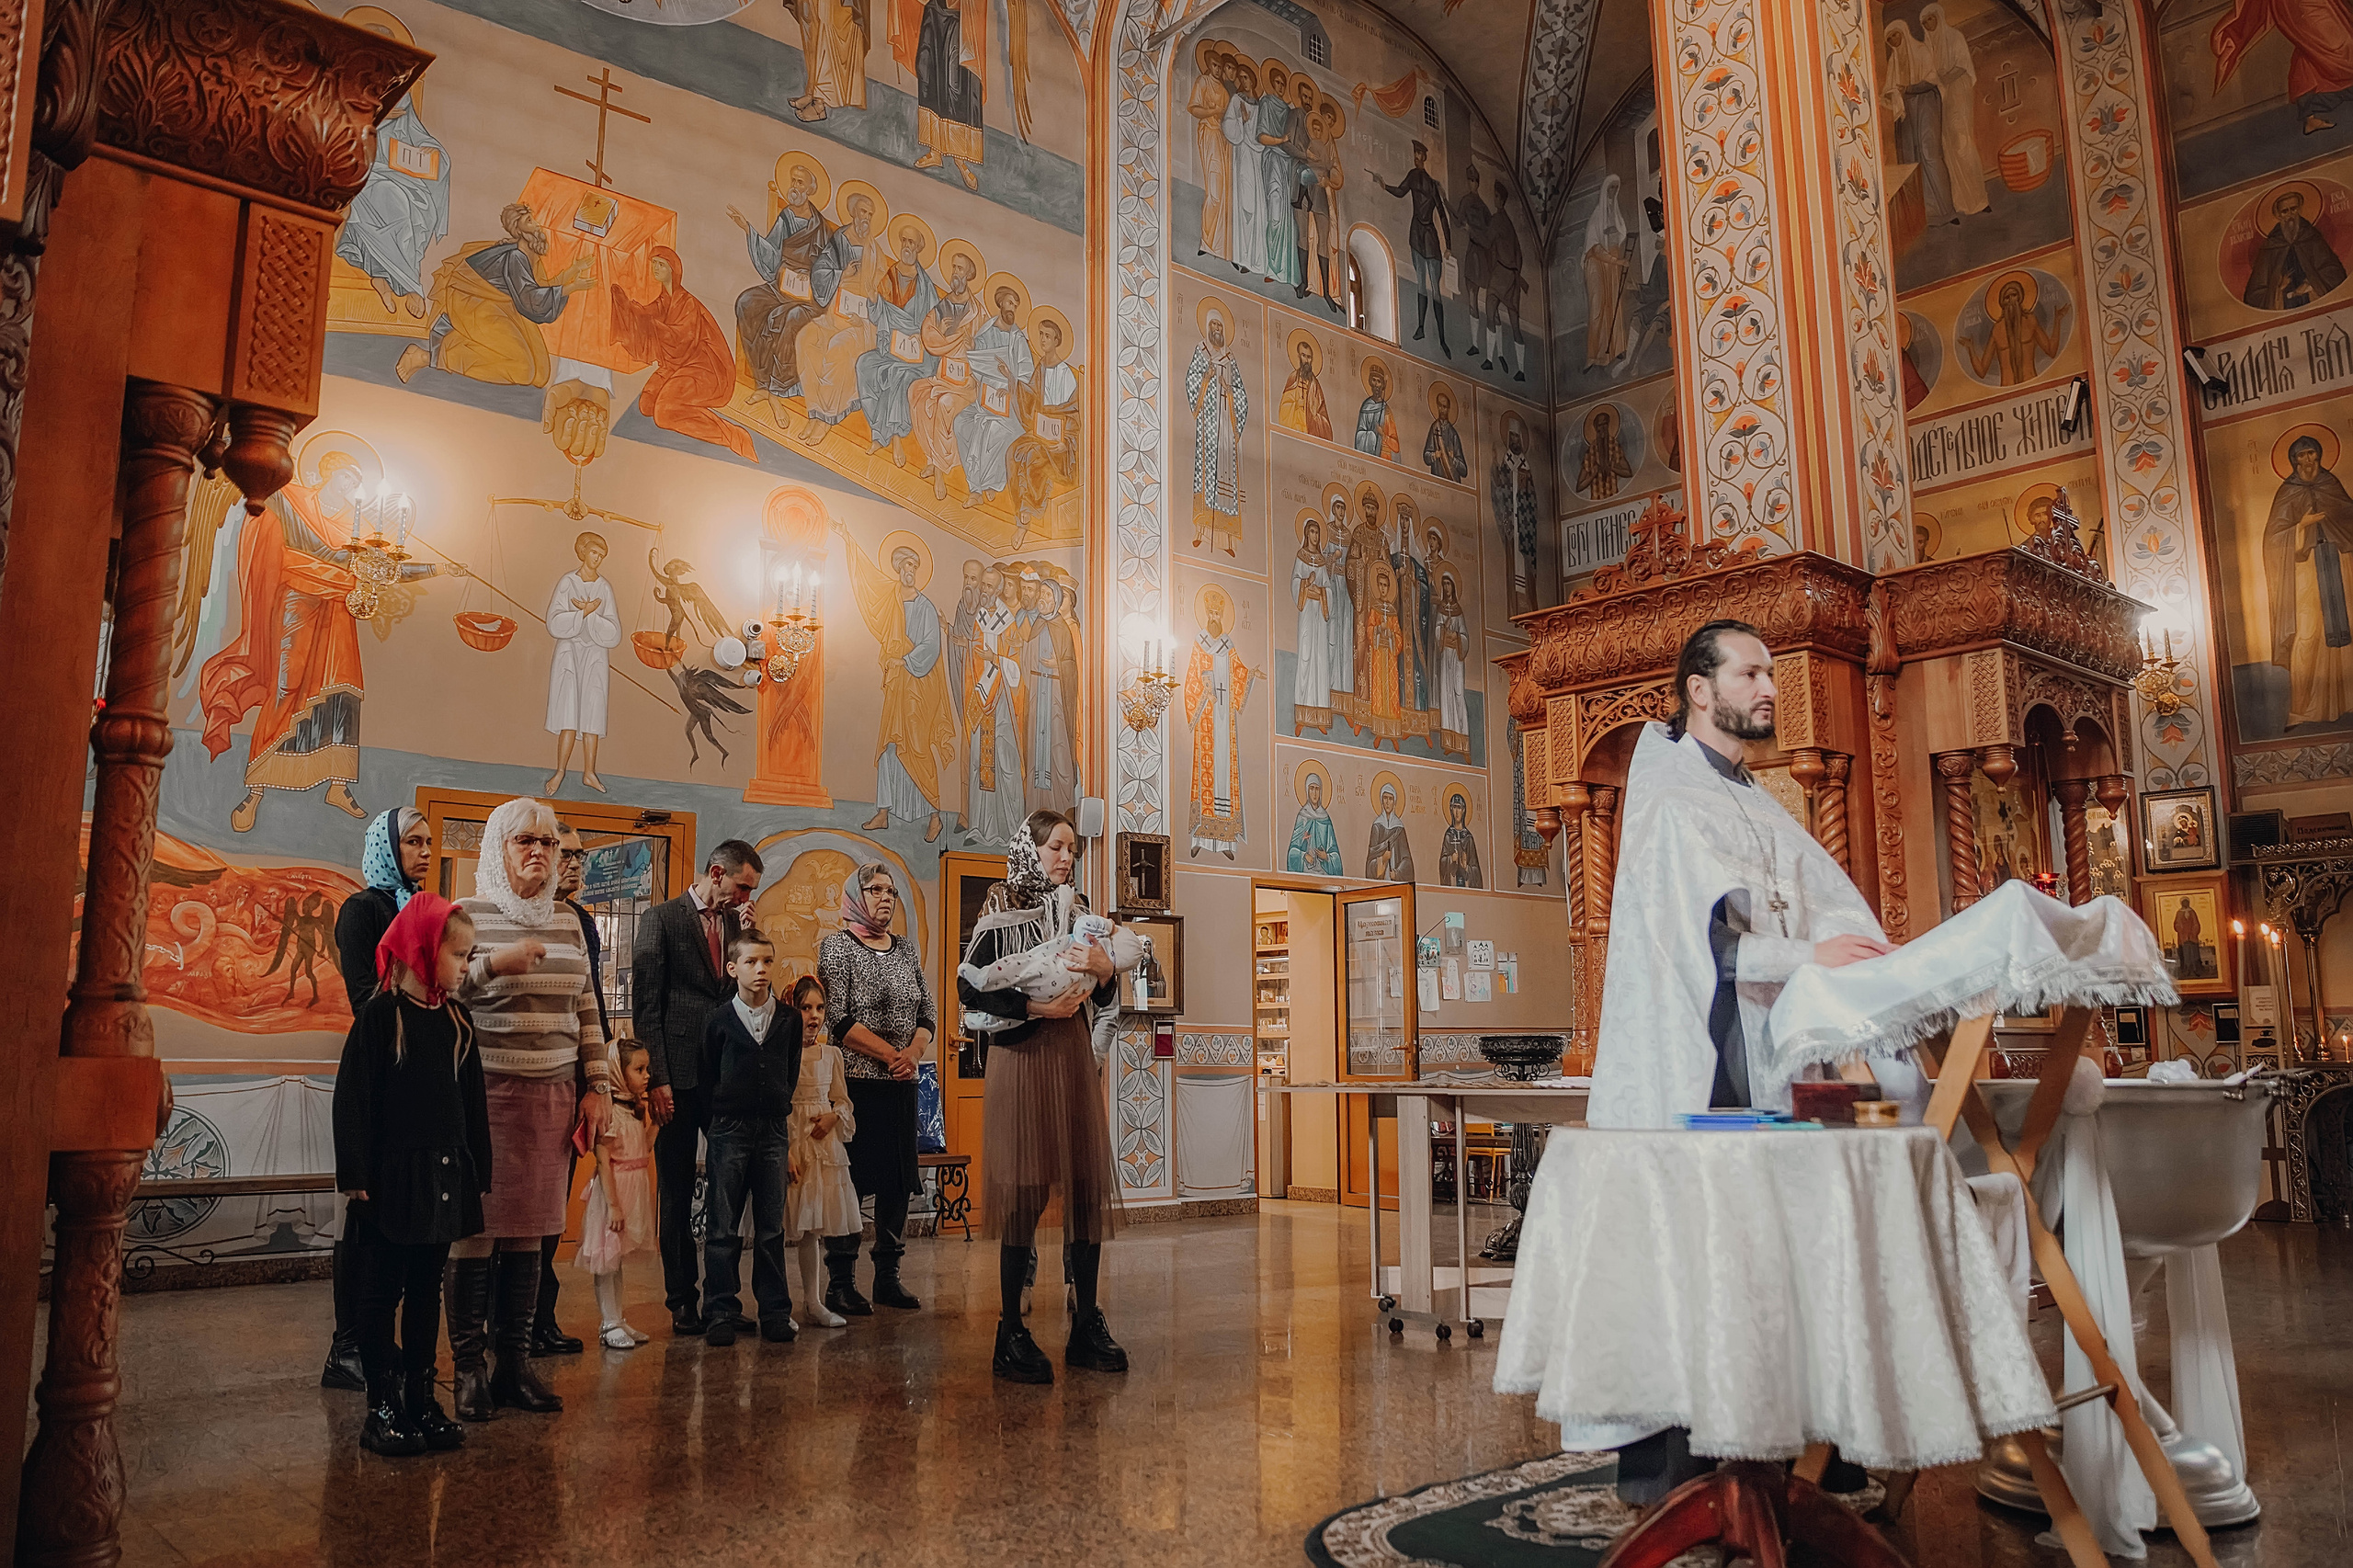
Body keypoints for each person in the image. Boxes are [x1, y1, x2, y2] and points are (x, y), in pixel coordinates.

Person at [1580, 619, 1893, 1504]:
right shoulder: (1673, 798)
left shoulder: (1757, 801)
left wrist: (1842, 951)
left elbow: (1830, 904)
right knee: (1702, 1255)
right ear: (1699, 689)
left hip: (1774, 1056)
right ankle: (1687, 1466)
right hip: (1701, 1063)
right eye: (1750, 672)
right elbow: (1705, 946)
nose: (1769, 687)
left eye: (1769, 673)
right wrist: (1809, 959)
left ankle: (1788, 1444)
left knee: (1779, 1253)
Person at [447, 798, 610, 1422]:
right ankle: (468, 1371)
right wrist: (494, 964)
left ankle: (515, 1365)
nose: (539, 851)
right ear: (499, 848)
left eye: (548, 841)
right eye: (524, 841)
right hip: (484, 1096)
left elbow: (588, 1010)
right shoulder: (466, 914)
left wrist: (598, 1084)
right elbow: (441, 989)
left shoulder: (568, 919)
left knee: (532, 1238)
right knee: (476, 1235)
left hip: (552, 1101)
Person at [957, 812, 1127, 1383]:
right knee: (1025, 1193)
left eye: (1073, 850)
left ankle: (1085, 1325)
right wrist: (1035, 1008)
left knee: (1083, 1185)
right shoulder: (999, 904)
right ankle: (1010, 1331)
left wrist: (1105, 972)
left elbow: (1106, 993)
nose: (1067, 858)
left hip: (1072, 1059)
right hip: (1024, 1059)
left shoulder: (1078, 912)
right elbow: (970, 989)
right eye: (1057, 847)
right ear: (1030, 848)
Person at [333, 893, 487, 1457]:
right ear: (424, 951)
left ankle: (421, 1397)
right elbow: (353, 1099)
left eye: (470, 957)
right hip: (389, 1179)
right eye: (460, 956)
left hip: (442, 1175)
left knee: (426, 1291)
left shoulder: (456, 1020)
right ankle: (382, 1404)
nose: (466, 967)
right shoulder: (381, 1018)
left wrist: (479, 1166)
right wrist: (355, 1171)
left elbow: (472, 1103)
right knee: (381, 1293)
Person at [632, 838, 765, 1336]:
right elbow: (647, 1005)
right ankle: (681, 1299)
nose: (746, 895)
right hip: (678, 1077)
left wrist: (753, 934)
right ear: (716, 873)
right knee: (677, 1187)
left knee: (730, 1188)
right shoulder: (661, 920)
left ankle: (723, 1300)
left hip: (727, 1074)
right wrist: (658, 1078)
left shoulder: (737, 925)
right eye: (742, 886)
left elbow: (753, 989)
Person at [322, 806, 434, 1392]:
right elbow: (366, 994)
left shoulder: (418, 908)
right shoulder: (362, 910)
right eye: (412, 841)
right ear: (386, 847)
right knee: (362, 1217)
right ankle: (345, 1348)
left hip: (411, 1071)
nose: (423, 850)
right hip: (373, 1070)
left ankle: (378, 1341)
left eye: (428, 841)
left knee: (398, 1217)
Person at [817, 862, 936, 1315]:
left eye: (890, 891)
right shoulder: (837, 948)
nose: (885, 898)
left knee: (896, 1184)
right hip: (857, 1087)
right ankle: (841, 1281)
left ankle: (888, 1277)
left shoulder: (905, 950)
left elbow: (927, 1010)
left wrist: (915, 1051)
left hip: (902, 1085)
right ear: (855, 895)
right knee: (851, 1182)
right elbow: (839, 1019)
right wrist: (891, 1055)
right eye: (874, 889)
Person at [700, 931, 803, 1346]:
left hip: (773, 1132)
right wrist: (717, 1126)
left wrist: (776, 1108)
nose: (760, 970)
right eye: (751, 962)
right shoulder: (718, 1021)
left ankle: (775, 1311)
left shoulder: (789, 1020)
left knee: (770, 1228)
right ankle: (721, 1311)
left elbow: (790, 1072)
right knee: (723, 1226)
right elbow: (708, 1076)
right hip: (729, 1130)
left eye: (767, 962)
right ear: (733, 969)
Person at [529, 824, 609, 1360]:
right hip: (521, 1076)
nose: (575, 863)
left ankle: (539, 1316)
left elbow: (592, 1002)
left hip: (569, 1076)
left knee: (554, 1204)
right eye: (567, 852)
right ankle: (507, 1319)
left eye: (581, 855)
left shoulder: (582, 920)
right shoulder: (512, 911)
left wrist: (597, 1076)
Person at [397, 202, 593, 387]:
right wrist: (571, 287)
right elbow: (531, 299)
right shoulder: (515, 256)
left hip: (500, 304)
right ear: (519, 231)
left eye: (533, 219)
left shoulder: (529, 253)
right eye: (530, 222)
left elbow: (538, 290)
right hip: (472, 302)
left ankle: (458, 338)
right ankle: (429, 355)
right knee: (523, 369)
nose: (537, 224)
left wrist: (571, 272)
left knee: (540, 373)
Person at [610, 246, 757, 460]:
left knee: (664, 413)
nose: (655, 268)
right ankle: (684, 401)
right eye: (654, 264)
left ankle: (732, 435)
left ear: (673, 269)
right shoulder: (664, 300)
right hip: (678, 365)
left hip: (704, 368)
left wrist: (651, 323)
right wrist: (626, 306)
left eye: (661, 264)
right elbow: (646, 316)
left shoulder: (686, 302)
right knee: (647, 405)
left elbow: (681, 341)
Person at [785, 974, 861, 1329]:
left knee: (813, 1228)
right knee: (783, 1224)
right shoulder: (782, 1052)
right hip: (790, 1143)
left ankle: (813, 1301)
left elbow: (843, 1102)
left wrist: (834, 1116)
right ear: (792, 1009)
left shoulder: (831, 1054)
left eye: (819, 1008)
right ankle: (777, 1304)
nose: (813, 1015)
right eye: (805, 1008)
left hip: (820, 1146)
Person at [576, 1040, 656, 1349]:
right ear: (617, 1074)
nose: (646, 1075)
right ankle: (608, 1322)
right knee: (607, 1260)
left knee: (617, 1263)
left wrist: (658, 1125)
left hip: (632, 1190)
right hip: (615, 1195)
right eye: (639, 1069)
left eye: (646, 1068)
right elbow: (603, 1159)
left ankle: (617, 1318)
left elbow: (643, 1151)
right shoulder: (609, 1115)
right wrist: (613, 1206)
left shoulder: (634, 1112)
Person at [544, 531, 621, 796]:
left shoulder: (605, 588)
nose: (597, 559)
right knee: (568, 710)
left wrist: (590, 617)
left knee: (592, 712)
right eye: (594, 553)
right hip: (569, 652)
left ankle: (589, 772)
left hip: (595, 655)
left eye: (601, 556)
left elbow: (614, 631)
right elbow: (554, 621)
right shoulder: (568, 582)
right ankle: (561, 771)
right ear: (583, 552)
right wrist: (582, 613)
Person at [1184, 590, 1254, 858]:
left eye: (1217, 614)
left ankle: (1226, 842)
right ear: (1205, 615)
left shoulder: (1228, 644)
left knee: (1226, 776)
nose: (1214, 618)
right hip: (1207, 723)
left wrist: (1250, 675)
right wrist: (1205, 689)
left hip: (1226, 721)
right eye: (1210, 613)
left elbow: (1238, 672)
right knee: (1207, 778)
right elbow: (1191, 676)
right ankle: (1200, 836)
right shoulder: (1199, 643)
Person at [1381, 142, 1452, 354]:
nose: (1415, 157)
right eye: (1414, 153)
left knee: (1436, 289)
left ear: (1423, 156)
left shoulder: (1431, 183)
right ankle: (1421, 327)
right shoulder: (1414, 176)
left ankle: (1441, 339)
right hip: (1418, 235)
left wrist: (1448, 245)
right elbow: (1402, 191)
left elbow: (1441, 213)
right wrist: (1385, 186)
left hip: (1428, 235)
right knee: (1421, 282)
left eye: (1418, 153)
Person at [1188, 308, 1249, 551]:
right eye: (1213, 325)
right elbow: (1190, 380)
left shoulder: (1230, 358)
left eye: (1220, 327)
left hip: (1225, 426)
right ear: (1206, 328)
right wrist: (1206, 378)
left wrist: (1230, 390)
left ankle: (1226, 539)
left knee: (1225, 482)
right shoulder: (1201, 353)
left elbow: (1242, 395)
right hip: (1208, 426)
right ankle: (1202, 532)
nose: (1216, 330)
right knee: (1206, 477)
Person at [2245, 187, 2349, 311]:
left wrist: (2308, 283)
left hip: (2314, 297)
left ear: (2299, 209)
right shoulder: (2270, 246)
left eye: (2293, 209)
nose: (2290, 215)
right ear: (2278, 215)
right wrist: (2278, 287)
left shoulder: (2312, 237)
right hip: (2283, 305)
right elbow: (2254, 293)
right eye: (2285, 211)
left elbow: (2333, 271)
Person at [1581, 174, 1631, 369]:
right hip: (1595, 265)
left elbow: (1617, 236)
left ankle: (1616, 349)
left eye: (1616, 189)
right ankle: (1592, 356)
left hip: (1610, 264)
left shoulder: (1614, 213)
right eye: (1610, 188)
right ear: (1605, 190)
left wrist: (1615, 255)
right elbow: (1594, 248)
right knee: (1597, 309)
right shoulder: (1597, 215)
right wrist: (1617, 260)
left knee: (1614, 305)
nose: (1613, 192)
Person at [1223, 60, 1267, 276]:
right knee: (1244, 203)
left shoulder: (1261, 106)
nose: (1242, 81)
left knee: (1256, 206)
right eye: (1239, 78)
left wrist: (1251, 124)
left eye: (1245, 77)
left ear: (1253, 79)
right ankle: (1241, 254)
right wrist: (1242, 120)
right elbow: (1228, 126)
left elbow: (1262, 137)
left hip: (1256, 159)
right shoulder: (1236, 100)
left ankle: (1254, 257)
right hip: (1242, 157)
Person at [1189, 49, 1233, 256]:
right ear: (1209, 65)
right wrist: (1214, 112)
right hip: (1209, 135)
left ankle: (1222, 246)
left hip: (1223, 141)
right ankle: (1207, 241)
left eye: (1220, 66)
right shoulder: (1202, 82)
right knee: (1214, 192)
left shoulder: (1224, 92)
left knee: (1225, 194)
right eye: (1214, 65)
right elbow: (1195, 109)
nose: (1217, 69)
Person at [1292, 518, 1334, 733]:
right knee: (1306, 656)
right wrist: (1306, 584)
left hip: (1319, 614)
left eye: (1318, 532)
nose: (1315, 536)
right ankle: (1302, 716)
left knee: (1320, 660)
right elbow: (1295, 583)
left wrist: (1322, 593)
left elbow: (1328, 588)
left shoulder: (1321, 561)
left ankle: (1319, 716)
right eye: (1312, 532)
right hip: (1307, 613)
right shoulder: (1301, 558)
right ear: (1306, 534)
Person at [1277, 335, 1332, 438]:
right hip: (1295, 430)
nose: (1306, 360)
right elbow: (1284, 408)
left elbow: (1326, 424)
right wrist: (1296, 404)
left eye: (1309, 357)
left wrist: (1316, 416)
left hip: (1310, 433)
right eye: (1303, 355)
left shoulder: (1315, 385)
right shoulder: (1293, 378)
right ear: (1298, 357)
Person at [1579, 408, 1633, 501]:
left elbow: (1628, 473)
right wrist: (1593, 474)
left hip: (1614, 496)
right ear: (1596, 428)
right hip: (1596, 498)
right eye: (1600, 425)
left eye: (1605, 424)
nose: (1603, 428)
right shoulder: (1591, 452)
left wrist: (1614, 468)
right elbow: (1580, 486)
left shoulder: (1614, 446)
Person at [1353, 360, 1399, 460]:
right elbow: (1359, 434)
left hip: (1384, 457)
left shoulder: (1386, 410)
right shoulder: (1366, 406)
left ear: (1383, 385)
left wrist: (1383, 434)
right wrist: (1372, 436)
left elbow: (1396, 446)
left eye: (1379, 381)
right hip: (1368, 455)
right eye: (1373, 380)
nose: (1376, 385)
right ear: (1370, 382)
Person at [1438, 789, 1482, 888]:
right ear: (1451, 809)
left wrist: (1466, 867)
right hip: (1452, 880)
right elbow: (1442, 862)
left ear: (1464, 810)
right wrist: (1450, 859)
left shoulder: (1468, 838)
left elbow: (1476, 869)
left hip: (1466, 883)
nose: (1457, 811)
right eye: (1454, 807)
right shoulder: (1448, 835)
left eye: (1459, 808)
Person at [1424, 385, 1467, 482]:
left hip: (1452, 480)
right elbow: (1426, 456)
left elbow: (1464, 470)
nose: (1441, 409)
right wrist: (1435, 455)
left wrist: (1453, 459)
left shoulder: (1453, 434)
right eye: (1439, 405)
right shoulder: (1434, 428)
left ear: (1448, 409)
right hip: (1437, 479)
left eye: (1444, 407)